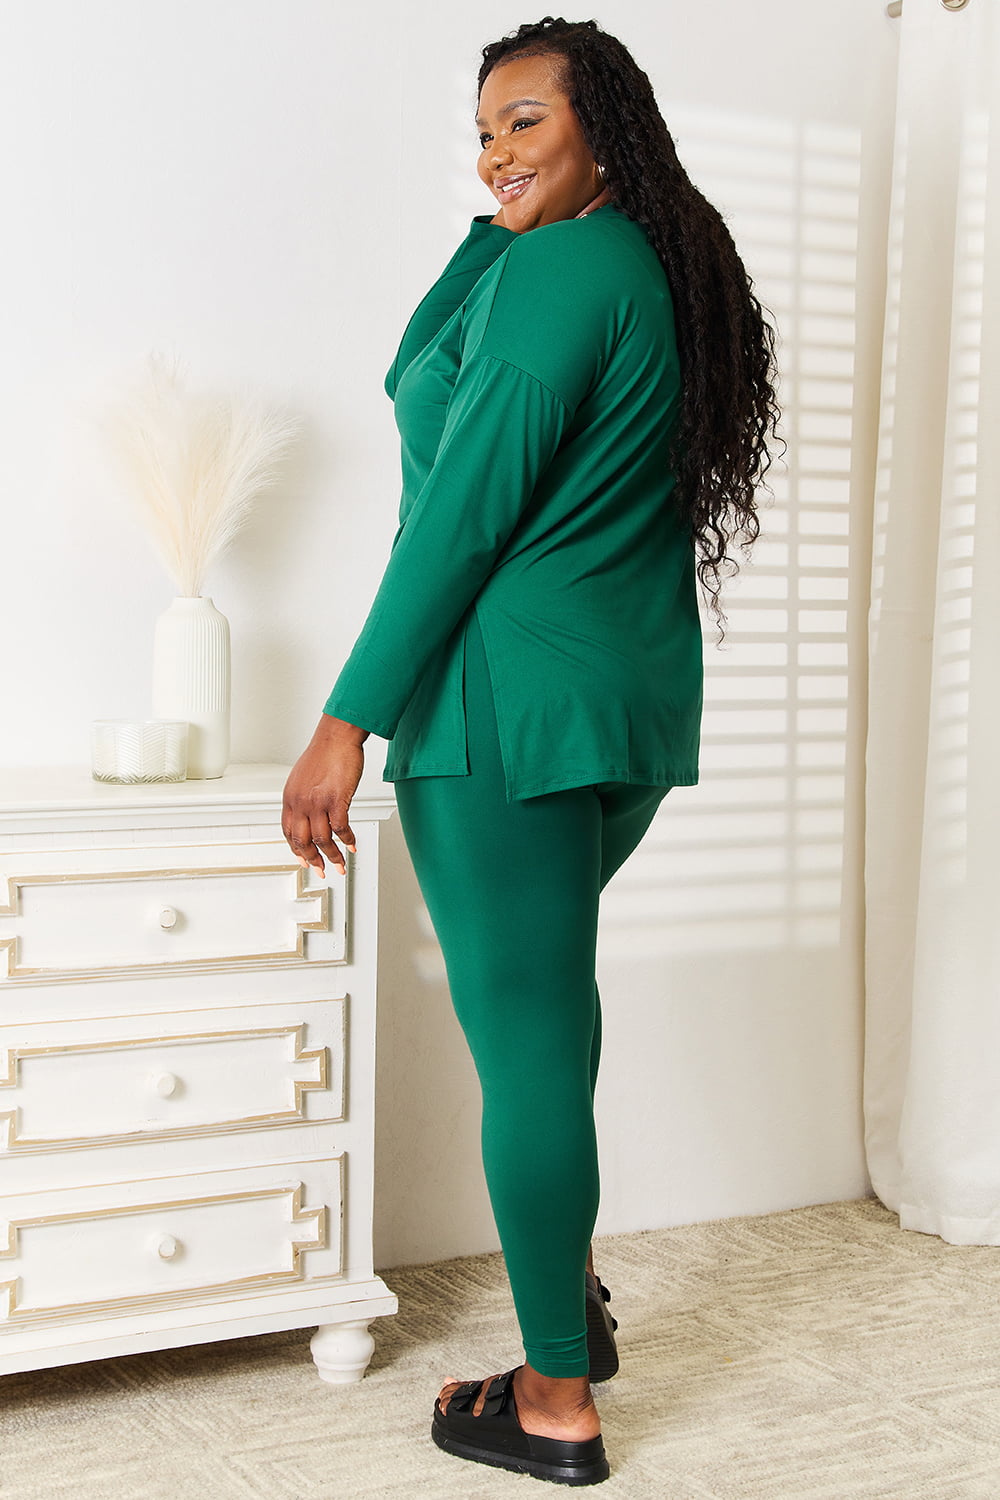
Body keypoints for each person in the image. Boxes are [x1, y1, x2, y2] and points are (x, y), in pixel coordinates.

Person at [282, 15, 779, 1487]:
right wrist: (502, 211)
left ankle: (554, 1397)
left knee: (527, 1056)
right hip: (608, 710)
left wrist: (344, 719)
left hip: (500, 712)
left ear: (605, 130)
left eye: (528, 126)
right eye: (484, 128)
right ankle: (576, 1309)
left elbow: (461, 515)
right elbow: (424, 369)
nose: (496, 153)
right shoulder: (624, 265)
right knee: (548, 1024)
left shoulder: (565, 271)